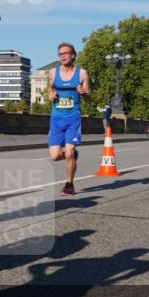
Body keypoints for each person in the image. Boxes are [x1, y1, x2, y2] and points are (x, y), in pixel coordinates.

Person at [47, 42, 91, 195]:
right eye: (60, 54)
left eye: (66, 53)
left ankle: (69, 184)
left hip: (73, 117)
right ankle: (71, 155)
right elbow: (50, 88)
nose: (63, 56)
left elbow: (88, 96)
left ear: (73, 55)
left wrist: (83, 92)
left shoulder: (81, 73)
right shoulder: (53, 72)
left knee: (69, 152)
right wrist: (50, 94)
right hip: (56, 118)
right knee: (55, 156)